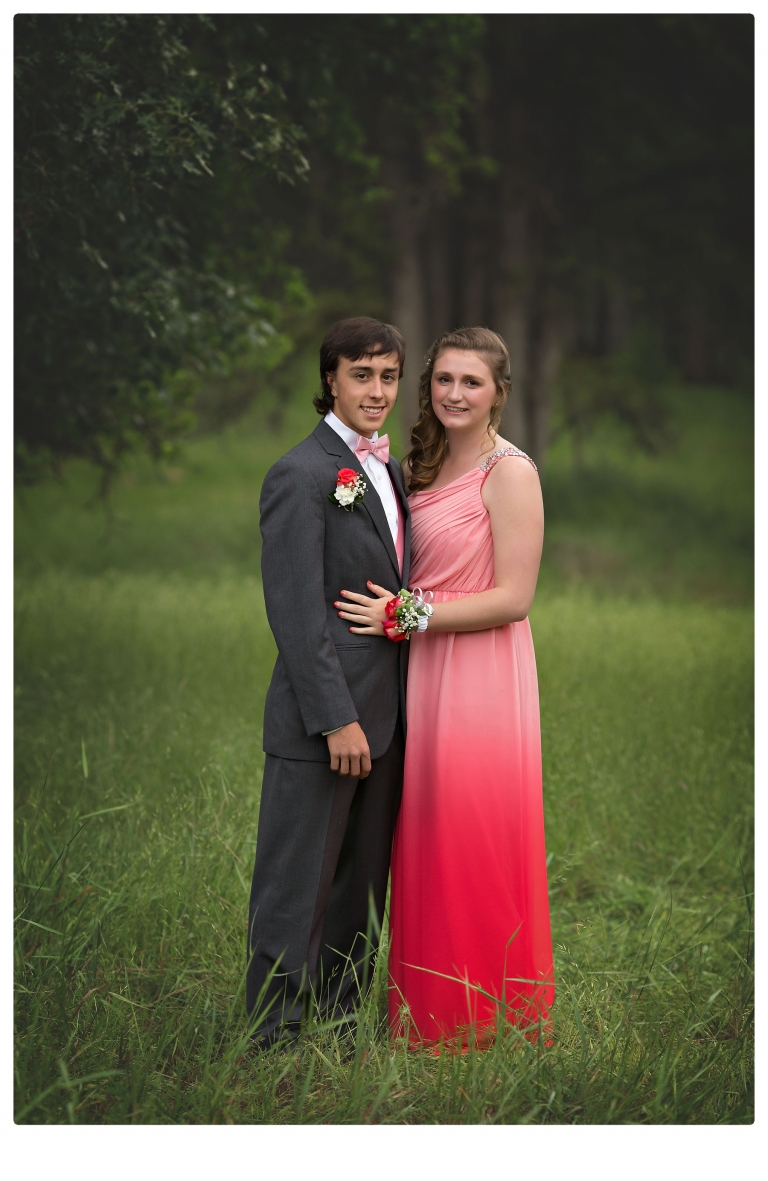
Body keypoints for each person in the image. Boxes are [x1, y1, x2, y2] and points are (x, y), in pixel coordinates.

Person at [335, 326, 554, 1049]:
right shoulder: (418, 464)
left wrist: (407, 613)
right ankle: (425, 1017)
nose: (456, 394)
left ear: (500, 393)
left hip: (483, 674)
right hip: (421, 673)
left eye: (473, 382)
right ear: (427, 386)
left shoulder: (511, 471)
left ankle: (488, 1020)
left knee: (475, 836)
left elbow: (514, 597)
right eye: (445, 380)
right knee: (425, 841)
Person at [246, 316, 411, 1046]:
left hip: (389, 717)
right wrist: (335, 717)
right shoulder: (301, 473)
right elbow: (295, 610)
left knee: (358, 889)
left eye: (388, 376)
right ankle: (271, 1035)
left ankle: (343, 1025)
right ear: (330, 380)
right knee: (295, 887)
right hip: (325, 723)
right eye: (362, 375)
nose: (378, 391)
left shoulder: (393, 470)